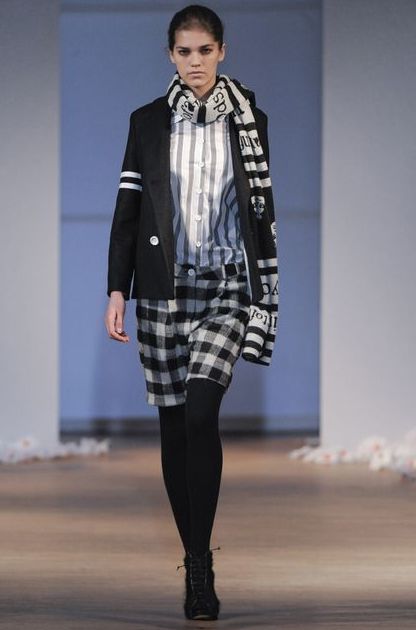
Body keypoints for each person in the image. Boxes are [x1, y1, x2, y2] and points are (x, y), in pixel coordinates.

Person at [104, 4, 278, 621]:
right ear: (170, 55)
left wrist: (263, 289)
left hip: (226, 289)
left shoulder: (250, 121)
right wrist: (117, 289)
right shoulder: (147, 122)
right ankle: (197, 563)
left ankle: (199, 563)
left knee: (202, 412)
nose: (196, 62)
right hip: (162, 291)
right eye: (184, 51)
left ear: (222, 52)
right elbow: (128, 210)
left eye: (205, 50)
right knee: (175, 426)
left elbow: (259, 211)